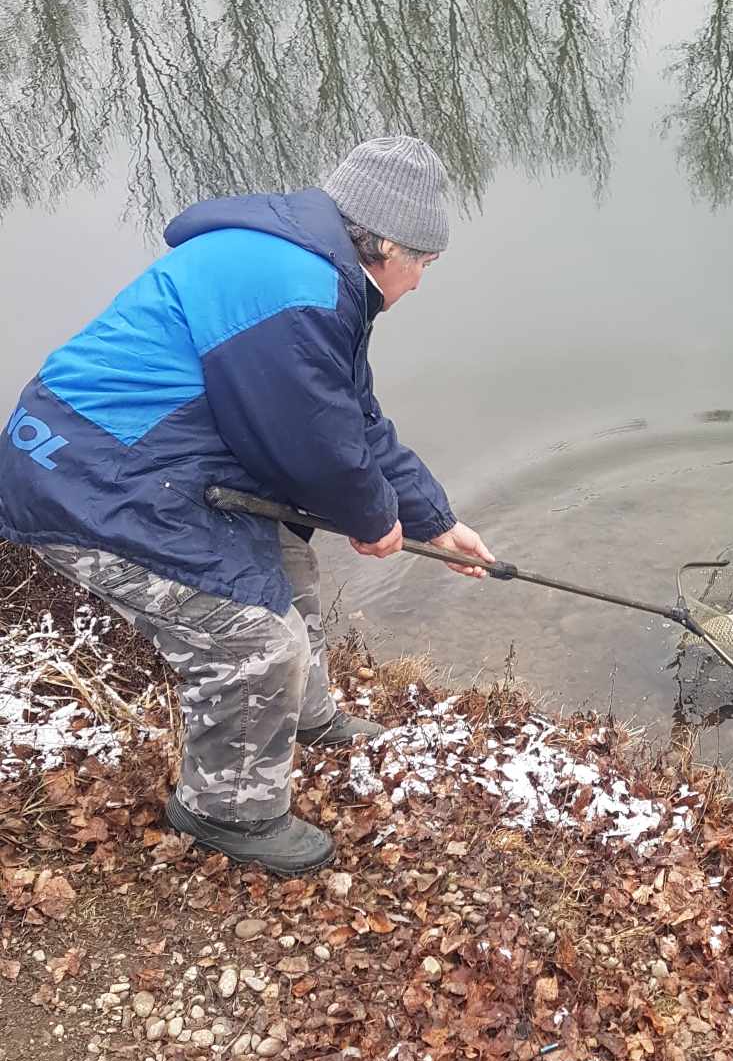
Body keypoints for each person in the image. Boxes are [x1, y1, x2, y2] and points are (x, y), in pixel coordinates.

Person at [1, 136, 495, 874]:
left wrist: (435, 520)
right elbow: (313, 449)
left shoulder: (308, 269)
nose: (421, 282)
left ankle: (306, 715)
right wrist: (374, 521)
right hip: (88, 474)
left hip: (144, 455)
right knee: (254, 640)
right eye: (423, 263)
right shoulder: (301, 294)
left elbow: (351, 417)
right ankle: (227, 810)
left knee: (288, 550)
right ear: (384, 242)